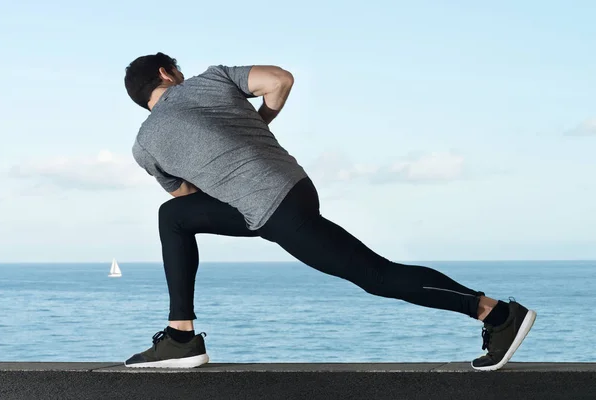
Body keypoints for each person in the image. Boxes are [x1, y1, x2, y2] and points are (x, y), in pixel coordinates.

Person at [122, 52, 536, 371]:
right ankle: (180, 336)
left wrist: (218, 169)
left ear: (142, 100)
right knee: (170, 218)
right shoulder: (211, 79)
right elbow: (279, 80)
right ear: (165, 73)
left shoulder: (145, 146)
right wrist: (260, 123)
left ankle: (497, 313)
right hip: (289, 192)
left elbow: (187, 195)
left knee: (376, 275)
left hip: (276, 211)